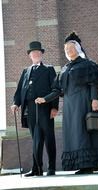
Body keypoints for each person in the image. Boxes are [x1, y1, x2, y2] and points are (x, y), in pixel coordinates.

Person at [35, 32, 98, 174]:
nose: (68, 51)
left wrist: (95, 99)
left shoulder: (87, 64)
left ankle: (89, 165)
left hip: (84, 102)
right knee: (75, 134)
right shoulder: (65, 69)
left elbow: (93, 83)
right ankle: (83, 164)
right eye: (66, 49)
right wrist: (45, 99)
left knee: (85, 132)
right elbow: (57, 90)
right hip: (69, 107)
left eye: (71, 48)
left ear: (78, 49)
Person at [11, 41, 59, 176]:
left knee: (49, 138)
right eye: (33, 53)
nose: (36, 54)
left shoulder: (49, 69)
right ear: (30, 56)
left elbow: (55, 88)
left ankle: (51, 168)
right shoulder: (25, 71)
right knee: (36, 139)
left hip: (45, 107)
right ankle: (37, 169)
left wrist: (54, 107)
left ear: (41, 54)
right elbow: (20, 90)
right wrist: (16, 103)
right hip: (30, 109)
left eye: (38, 52)